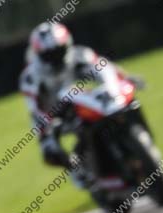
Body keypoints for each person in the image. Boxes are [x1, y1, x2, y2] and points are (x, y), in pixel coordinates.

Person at [19, 22, 127, 187]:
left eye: (59, 50)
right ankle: (77, 171)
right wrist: (48, 127)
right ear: (39, 54)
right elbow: (35, 108)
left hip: (85, 101)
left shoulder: (80, 54)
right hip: (53, 114)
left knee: (124, 103)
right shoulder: (31, 76)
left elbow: (104, 69)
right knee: (50, 151)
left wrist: (121, 81)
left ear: (67, 43)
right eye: (49, 54)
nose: (56, 57)